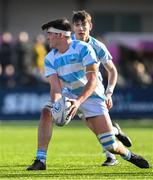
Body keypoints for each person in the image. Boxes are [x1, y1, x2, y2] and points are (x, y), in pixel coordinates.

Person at [27, 18, 149, 170]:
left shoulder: (84, 48)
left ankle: (129, 155)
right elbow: (55, 88)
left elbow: (92, 82)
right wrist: (58, 105)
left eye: (50, 34)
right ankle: (40, 160)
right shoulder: (50, 58)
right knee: (46, 112)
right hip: (69, 95)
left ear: (60, 35)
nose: (47, 37)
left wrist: (78, 102)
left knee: (110, 145)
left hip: (91, 95)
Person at [71, 10, 132, 166]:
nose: (80, 28)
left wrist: (109, 92)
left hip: (95, 90)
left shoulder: (97, 46)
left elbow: (112, 70)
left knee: (99, 128)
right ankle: (115, 131)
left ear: (90, 26)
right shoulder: (69, 44)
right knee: (93, 127)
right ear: (73, 27)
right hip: (76, 92)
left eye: (83, 24)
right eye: (77, 25)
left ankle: (111, 157)